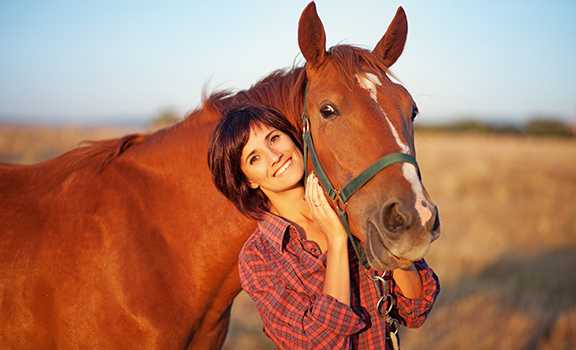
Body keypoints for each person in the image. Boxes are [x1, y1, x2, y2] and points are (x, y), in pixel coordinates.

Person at [208, 102, 439, 349]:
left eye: (274, 138)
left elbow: (415, 310)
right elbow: (319, 344)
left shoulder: (353, 207)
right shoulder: (258, 259)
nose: (275, 157)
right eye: (255, 158)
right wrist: (337, 241)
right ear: (248, 181)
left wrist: (397, 250)